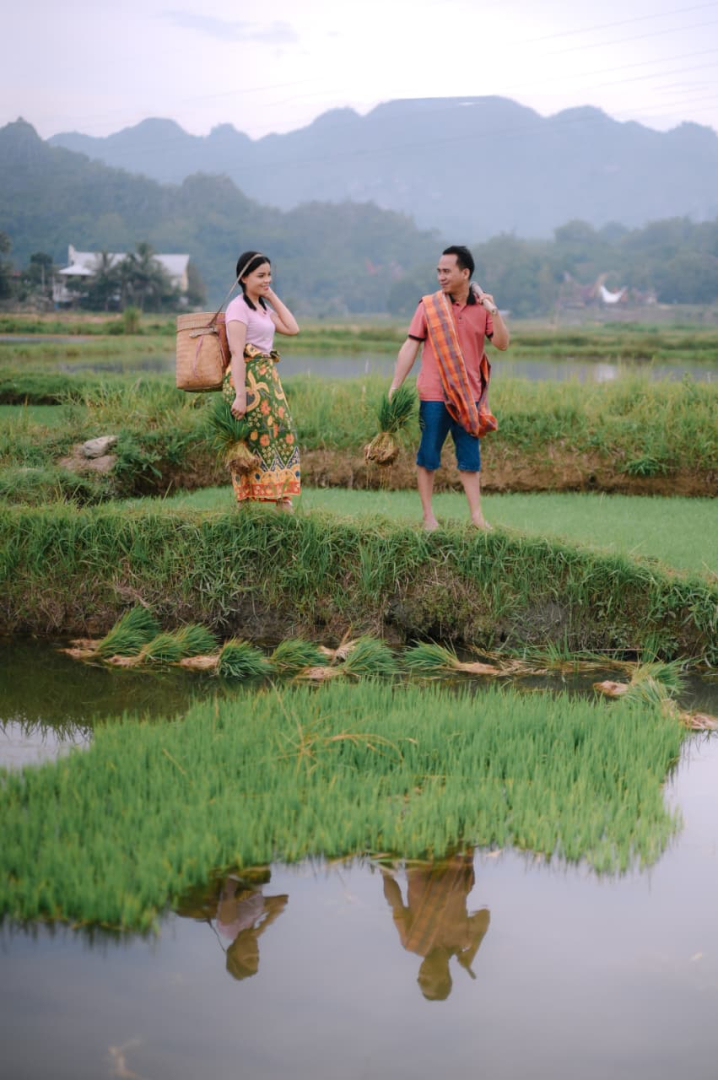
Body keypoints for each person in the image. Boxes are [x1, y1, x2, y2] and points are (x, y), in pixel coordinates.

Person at [389, 245, 510, 531]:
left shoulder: (482, 308)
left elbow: (502, 344)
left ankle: (477, 517)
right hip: (433, 394)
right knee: (428, 455)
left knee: (470, 458)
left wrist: (495, 312)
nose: (441, 277)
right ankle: (428, 517)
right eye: (439, 271)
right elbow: (410, 346)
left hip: (469, 395)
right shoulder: (429, 306)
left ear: (465, 273)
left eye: (447, 271)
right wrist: (395, 385)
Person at [224, 250, 301, 508]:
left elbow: (293, 328)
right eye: (260, 275)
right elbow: (236, 353)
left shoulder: (263, 307)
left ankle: (281, 498)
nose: (267, 279)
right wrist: (240, 395)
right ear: (244, 277)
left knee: (279, 434)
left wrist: (271, 295)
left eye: (269, 275)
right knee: (252, 440)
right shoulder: (237, 308)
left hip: (268, 381)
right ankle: (244, 505)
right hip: (247, 382)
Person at [381, 854, 490, 1001]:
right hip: (455, 860)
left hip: (419, 860)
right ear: (444, 978)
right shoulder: (462, 941)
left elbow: (396, 906)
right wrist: (473, 951)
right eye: (426, 981)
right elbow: (484, 916)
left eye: (419, 980)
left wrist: (386, 874)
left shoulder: (411, 942)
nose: (421, 976)